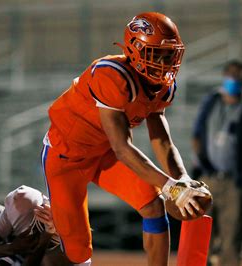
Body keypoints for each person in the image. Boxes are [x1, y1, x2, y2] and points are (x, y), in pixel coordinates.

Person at [41, 12, 210, 266]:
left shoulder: (163, 85)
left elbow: (162, 140)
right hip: (67, 157)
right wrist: (171, 187)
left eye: (169, 55)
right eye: (157, 54)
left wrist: (181, 178)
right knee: (77, 253)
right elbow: (122, 148)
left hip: (103, 152)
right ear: (136, 50)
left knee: (153, 205)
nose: (165, 63)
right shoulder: (111, 75)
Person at [191, 60, 242, 266]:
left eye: (239, 77)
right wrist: (201, 166)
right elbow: (197, 135)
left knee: (232, 241)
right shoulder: (212, 101)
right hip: (208, 178)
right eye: (231, 75)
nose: (233, 80)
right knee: (202, 239)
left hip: (235, 183)